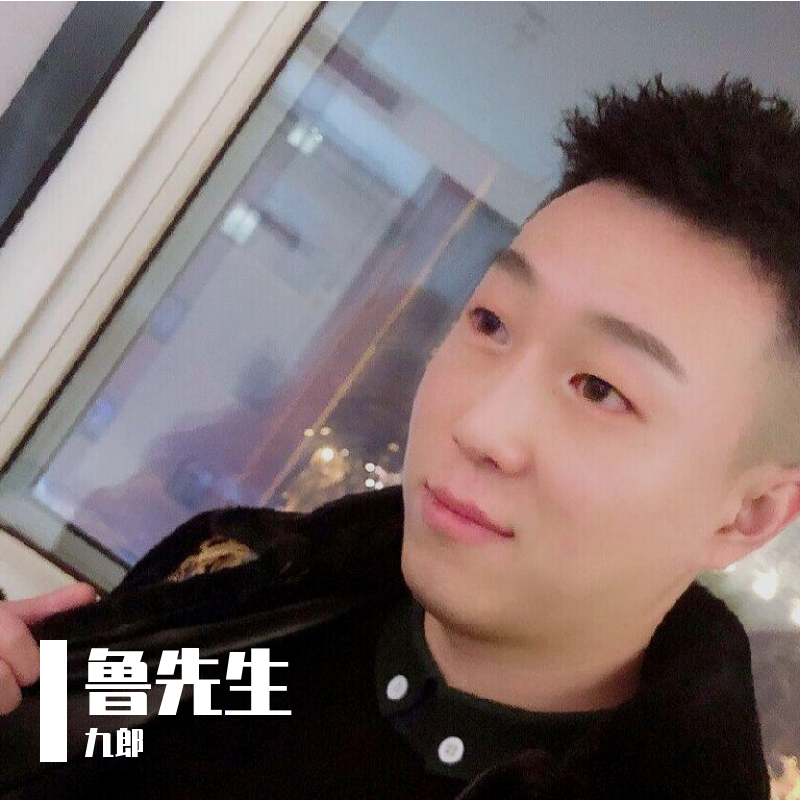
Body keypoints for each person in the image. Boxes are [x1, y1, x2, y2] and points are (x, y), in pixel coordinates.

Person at [1, 73, 798, 799]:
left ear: (748, 515)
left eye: (601, 390)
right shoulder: (244, 616)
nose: (482, 427)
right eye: (491, 322)